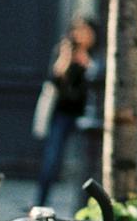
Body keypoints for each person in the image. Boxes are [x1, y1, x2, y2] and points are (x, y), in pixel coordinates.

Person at [35, 15, 101, 205]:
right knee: (52, 159)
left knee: (86, 164)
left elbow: (95, 82)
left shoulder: (96, 55)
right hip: (62, 113)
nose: (82, 35)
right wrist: (65, 59)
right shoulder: (64, 51)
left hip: (85, 115)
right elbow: (54, 80)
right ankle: (41, 201)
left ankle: (84, 204)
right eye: (79, 31)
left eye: (87, 32)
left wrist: (87, 64)